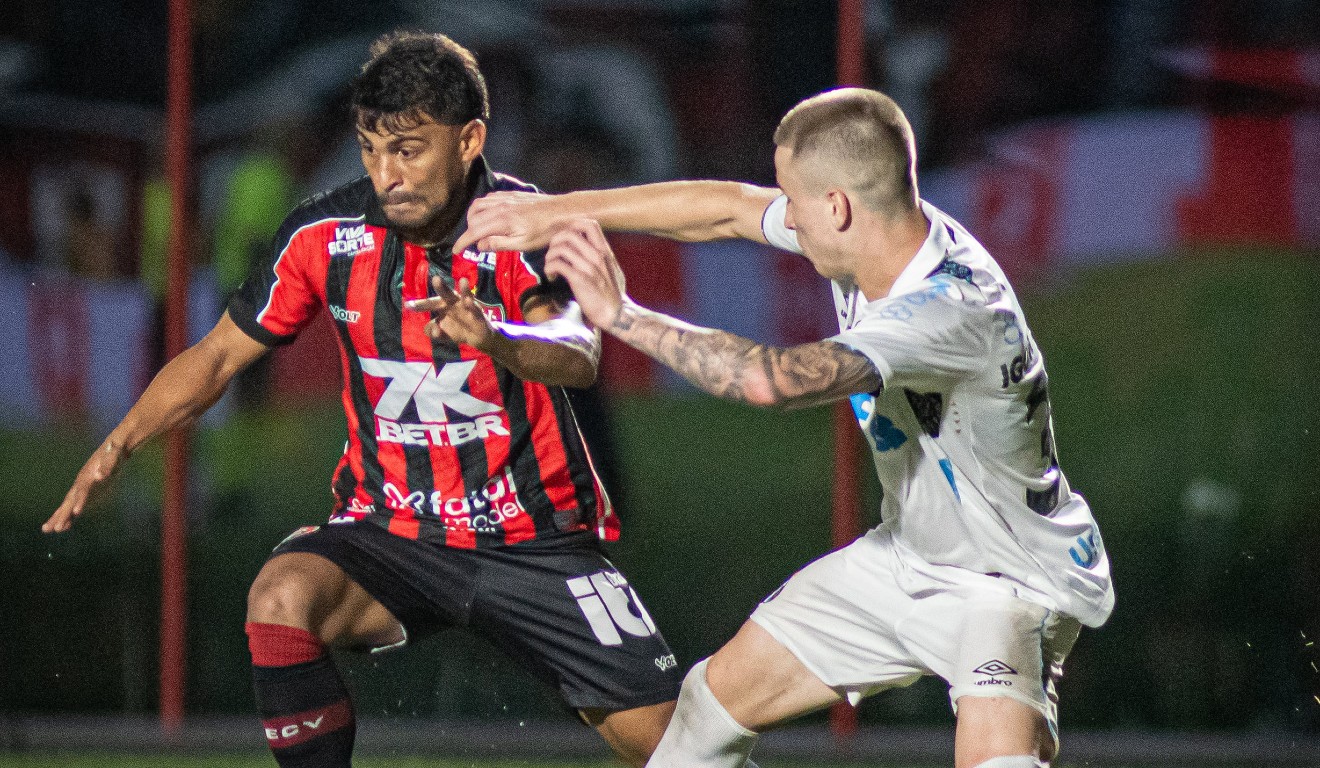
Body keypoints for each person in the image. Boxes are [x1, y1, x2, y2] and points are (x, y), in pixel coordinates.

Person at [43, 31, 682, 768]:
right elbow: (219, 354)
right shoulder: (326, 233)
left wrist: (495, 337)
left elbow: (577, 354)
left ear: (469, 139)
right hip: (389, 534)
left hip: (533, 543)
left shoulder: (527, 228)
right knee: (281, 595)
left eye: (408, 149)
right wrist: (119, 443)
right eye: (371, 148)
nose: (387, 173)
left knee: (677, 751)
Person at [455, 87, 1115, 768]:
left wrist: (622, 316)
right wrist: (557, 213)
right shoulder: (880, 230)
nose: (785, 219)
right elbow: (728, 209)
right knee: (701, 720)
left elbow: (771, 379)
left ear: (837, 206)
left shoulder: (948, 308)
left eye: (794, 201)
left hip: (1008, 582)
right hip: (906, 556)